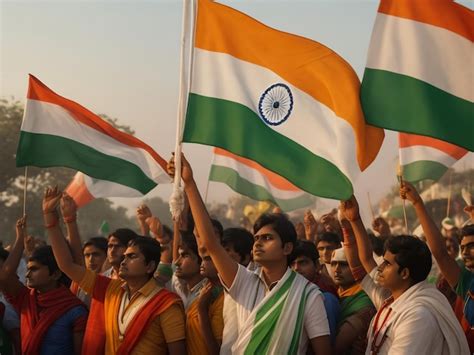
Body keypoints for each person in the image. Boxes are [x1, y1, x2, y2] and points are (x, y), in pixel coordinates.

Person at [168, 154, 331, 354]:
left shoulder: (308, 294)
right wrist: (189, 183)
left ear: (287, 248)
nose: (258, 243)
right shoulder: (244, 281)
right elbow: (210, 243)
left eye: (268, 238)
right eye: (256, 238)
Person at [43, 187, 186, 354]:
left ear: (150, 266)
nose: (124, 260)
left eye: (132, 257)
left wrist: (160, 237)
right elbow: (67, 265)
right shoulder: (110, 289)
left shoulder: (166, 304)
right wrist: (50, 218)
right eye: (125, 256)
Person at [340, 195, 469, 354]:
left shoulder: (418, 316)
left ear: (404, 273)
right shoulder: (391, 300)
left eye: (387, 264)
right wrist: (354, 220)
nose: (379, 268)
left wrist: (416, 202)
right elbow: (364, 260)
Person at [401, 182, 474, 351]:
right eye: (463, 248)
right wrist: (417, 203)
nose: (466, 252)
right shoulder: (467, 282)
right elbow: (440, 253)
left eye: (471, 246)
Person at [0, 215, 88, 355]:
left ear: (55, 274)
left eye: (34, 269)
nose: (28, 274)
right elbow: (4, 277)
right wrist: (20, 240)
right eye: (28, 269)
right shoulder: (26, 299)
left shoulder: (75, 310)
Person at [289, 240, 340, 343]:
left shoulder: (326, 298)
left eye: (302, 263)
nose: (296, 268)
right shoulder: (292, 291)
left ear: (317, 265)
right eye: (292, 264)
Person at [331, 247, 375, 355]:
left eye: (344, 264)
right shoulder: (332, 291)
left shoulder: (365, 298)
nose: (337, 269)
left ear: (357, 267)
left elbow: (339, 346)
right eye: (333, 264)